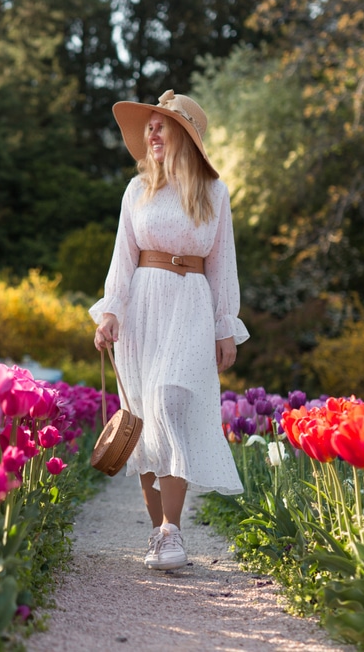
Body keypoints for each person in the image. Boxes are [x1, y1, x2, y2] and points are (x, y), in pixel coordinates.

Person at [91, 89, 246, 572]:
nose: (152, 132)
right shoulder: (137, 191)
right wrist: (110, 311)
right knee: (144, 424)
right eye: (149, 126)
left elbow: (223, 265)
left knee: (169, 404)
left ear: (185, 135)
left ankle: (172, 530)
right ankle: (159, 534)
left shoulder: (214, 193)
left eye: (162, 125)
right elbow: (122, 257)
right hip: (142, 310)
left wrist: (225, 326)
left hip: (191, 307)